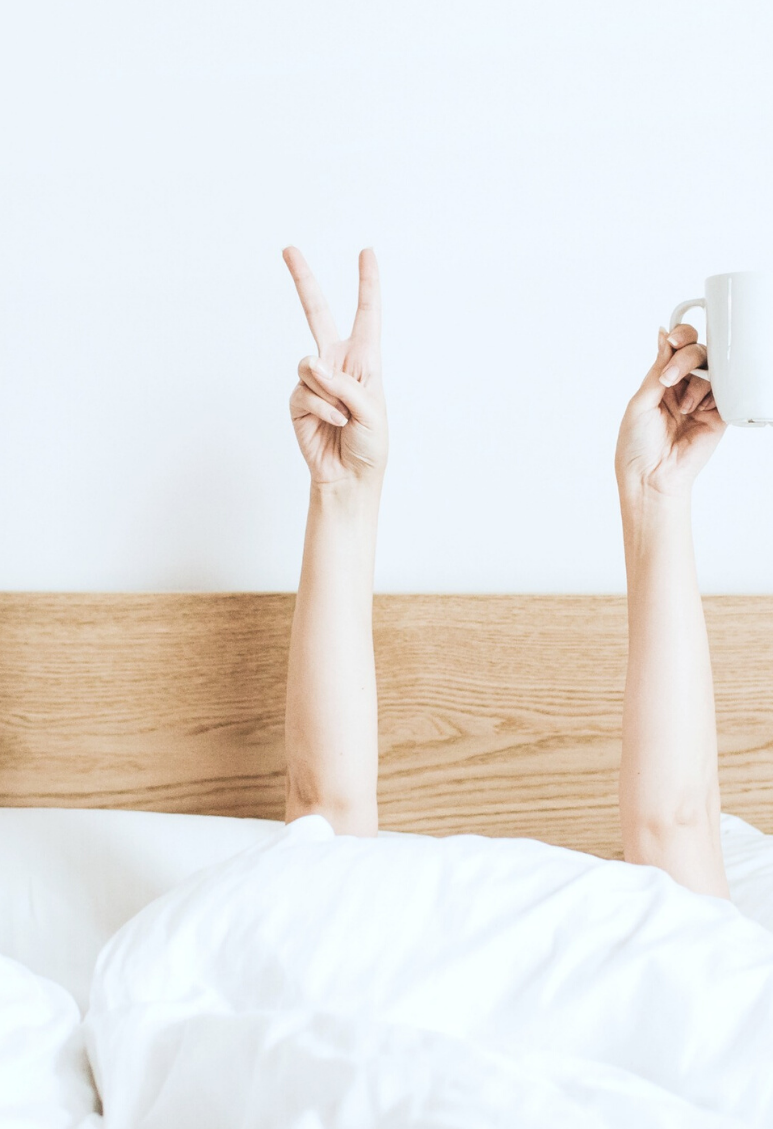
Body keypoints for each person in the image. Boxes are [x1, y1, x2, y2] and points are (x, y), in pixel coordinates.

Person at [282, 246, 730, 903]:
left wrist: (345, 494)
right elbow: (675, 827)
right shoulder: (692, 982)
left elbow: (325, 814)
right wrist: (655, 497)